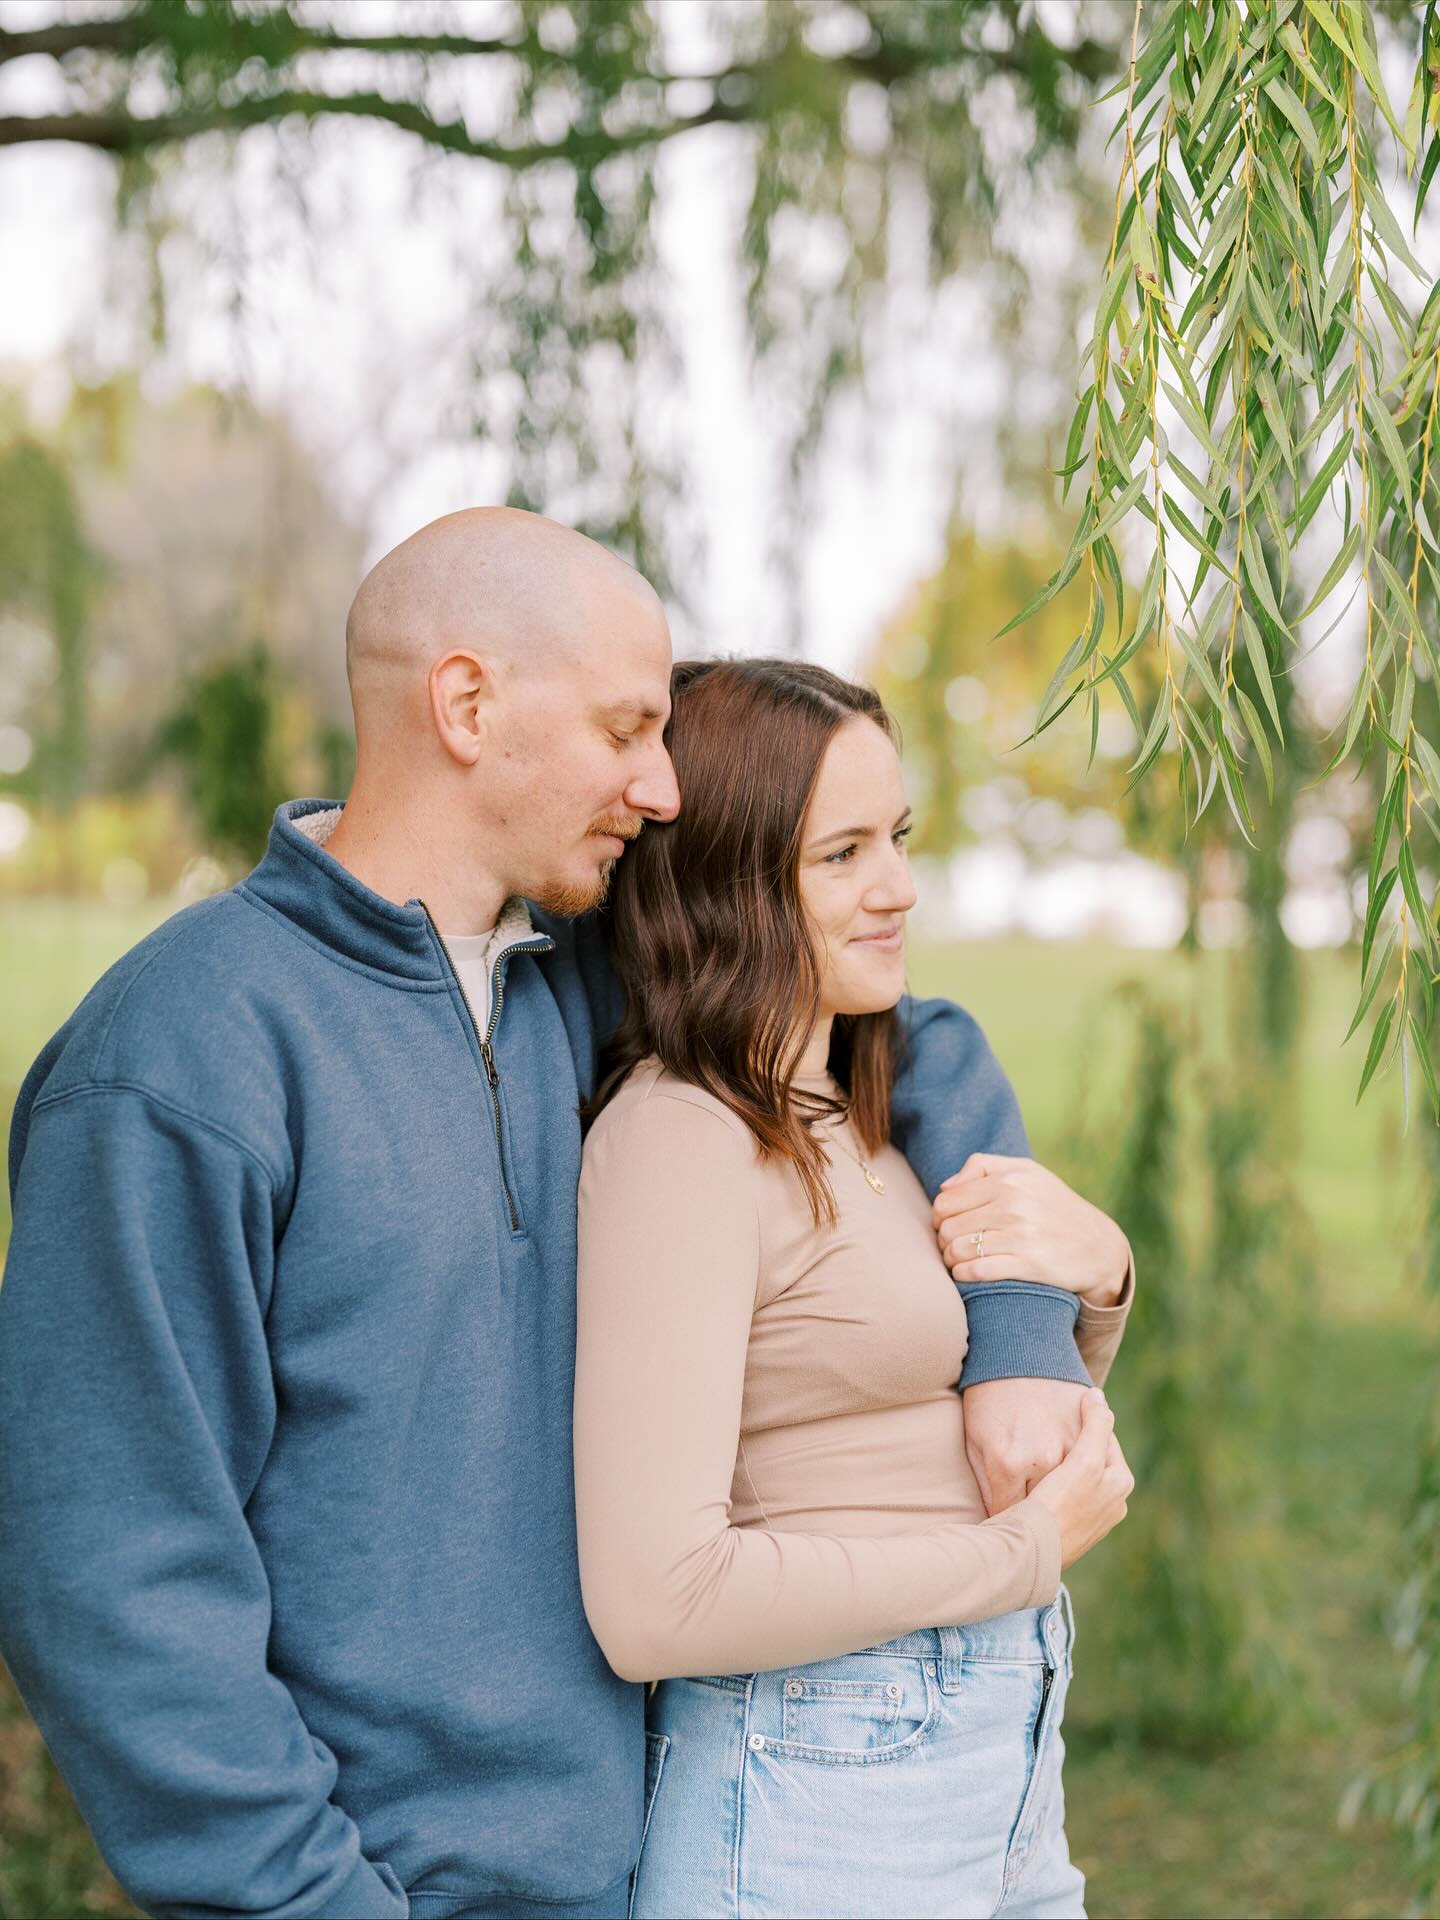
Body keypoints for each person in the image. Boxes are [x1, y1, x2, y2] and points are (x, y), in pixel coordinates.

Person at [2, 510, 1110, 1920]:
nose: (662, 788)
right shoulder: (182, 1060)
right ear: (467, 706)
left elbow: (910, 1033)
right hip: (373, 1889)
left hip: (639, 1854)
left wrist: (1019, 1329)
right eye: (626, 729)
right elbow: (112, 1580)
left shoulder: (574, 984)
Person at [575, 659, 1134, 1919]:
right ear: (727, 879)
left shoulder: (874, 1111)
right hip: (817, 1781)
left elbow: (962, 1434)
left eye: (899, 837)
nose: (900, 887)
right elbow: (655, 1604)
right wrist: (1016, 1557)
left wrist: (1098, 1279)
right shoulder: (684, 1139)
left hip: (999, 1757)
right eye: (843, 855)